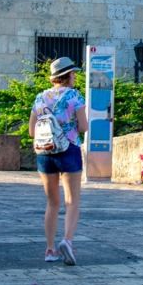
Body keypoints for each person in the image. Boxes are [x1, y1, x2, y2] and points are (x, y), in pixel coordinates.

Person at [28, 57, 88, 265]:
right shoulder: (75, 96)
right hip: (69, 150)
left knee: (52, 202)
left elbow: (30, 131)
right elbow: (83, 126)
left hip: (45, 153)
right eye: (73, 74)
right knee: (72, 201)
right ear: (68, 75)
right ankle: (68, 241)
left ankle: (50, 249)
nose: (75, 77)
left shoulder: (40, 98)